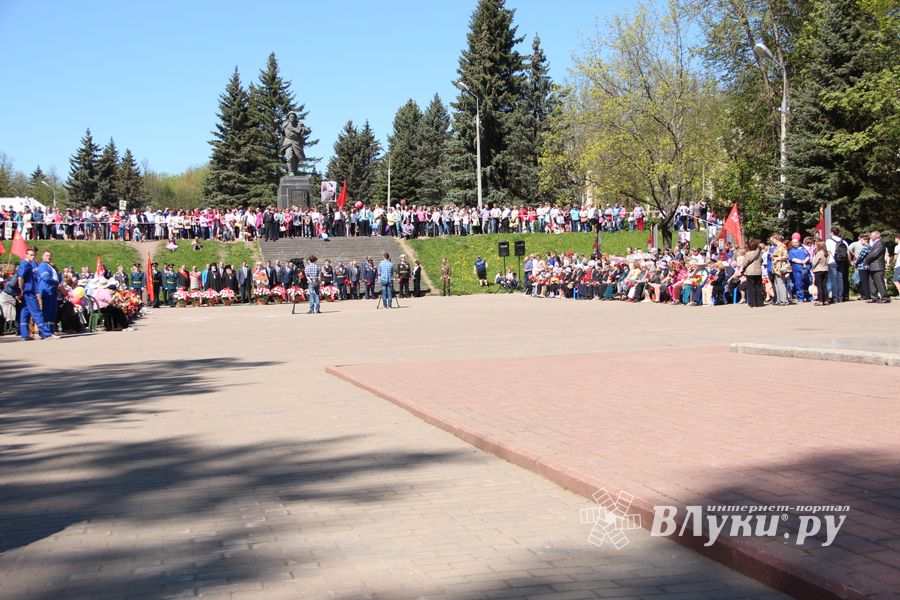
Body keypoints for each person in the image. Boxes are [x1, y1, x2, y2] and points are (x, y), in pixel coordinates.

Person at [17, 247, 52, 340]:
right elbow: (20, 278)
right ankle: (46, 333)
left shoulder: (31, 263)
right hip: (28, 292)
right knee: (37, 312)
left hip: (31, 291)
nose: (33, 256)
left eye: (34, 255)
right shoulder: (24, 264)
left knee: (25, 312)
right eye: (31, 255)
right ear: (26, 254)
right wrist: (21, 289)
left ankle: (24, 334)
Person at [36, 249, 61, 335]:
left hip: (53, 291)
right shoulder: (43, 266)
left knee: (53, 312)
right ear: (43, 257)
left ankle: (50, 329)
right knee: (47, 311)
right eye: (47, 255)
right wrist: (57, 283)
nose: (49, 257)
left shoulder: (50, 266)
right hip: (47, 290)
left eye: (50, 255)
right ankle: (44, 332)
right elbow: (46, 278)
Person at [864, 230, 890, 303]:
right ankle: (874, 297)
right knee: (872, 282)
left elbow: (875, 254)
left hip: (877, 266)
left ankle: (885, 297)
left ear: (876, 236)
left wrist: (866, 259)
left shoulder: (880, 243)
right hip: (873, 266)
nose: (870, 237)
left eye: (871, 235)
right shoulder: (875, 243)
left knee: (879, 282)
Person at [825, 227, 848, 303]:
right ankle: (841, 297)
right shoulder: (843, 241)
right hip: (841, 261)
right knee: (840, 278)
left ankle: (835, 298)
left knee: (833, 279)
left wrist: (826, 262)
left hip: (832, 261)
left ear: (832, 232)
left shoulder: (829, 241)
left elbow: (828, 252)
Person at [742, 241, 765, 308]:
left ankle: (752, 303)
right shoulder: (759, 253)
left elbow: (745, 263)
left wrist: (742, 267)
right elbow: (761, 260)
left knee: (751, 288)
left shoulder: (748, 254)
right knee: (759, 287)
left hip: (750, 272)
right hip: (758, 271)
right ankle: (760, 302)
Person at [811, 241, 830, 305]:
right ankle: (826, 300)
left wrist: (812, 267)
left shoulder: (819, 253)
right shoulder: (827, 253)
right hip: (825, 269)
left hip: (818, 270)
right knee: (824, 285)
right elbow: (827, 261)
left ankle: (820, 300)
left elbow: (815, 262)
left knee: (819, 286)